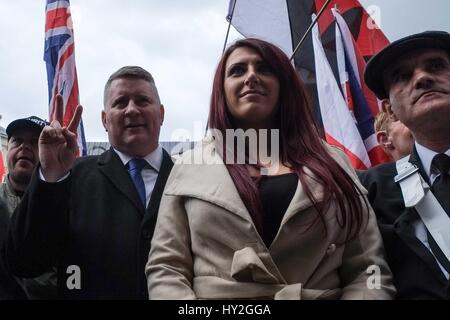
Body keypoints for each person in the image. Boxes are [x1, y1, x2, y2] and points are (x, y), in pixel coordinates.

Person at [146, 38, 395, 300]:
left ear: (284, 84)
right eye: (238, 70)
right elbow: (167, 268)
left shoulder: (335, 162)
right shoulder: (187, 166)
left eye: (264, 69)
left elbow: (369, 269)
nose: (251, 76)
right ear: (222, 90)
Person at [3, 66, 173, 299]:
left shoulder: (189, 179)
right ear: (104, 119)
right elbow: (24, 261)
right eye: (120, 102)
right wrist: (50, 179)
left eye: (142, 100)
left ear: (161, 114)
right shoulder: (70, 176)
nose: (132, 110)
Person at [360, 31, 450, 299]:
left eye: (436, 65)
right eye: (402, 76)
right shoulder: (369, 189)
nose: (422, 78)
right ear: (390, 111)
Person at [0, 116, 57, 300]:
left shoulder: (64, 203)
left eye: (34, 142)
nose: (25, 147)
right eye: (17, 141)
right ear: (7, 148)